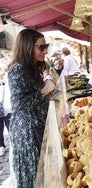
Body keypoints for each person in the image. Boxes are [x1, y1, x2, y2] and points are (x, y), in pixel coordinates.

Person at [8, 28, 56, 187]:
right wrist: (44, 90)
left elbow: (33, 96)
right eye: (41, 47)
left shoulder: (32, 67)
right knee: (33, 176)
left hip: (36, 126)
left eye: (46, 46)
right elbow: (18, 103)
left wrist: (45, 95)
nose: (45, 51)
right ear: (28, 46)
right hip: (28, 132)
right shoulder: (18, 69)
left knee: (42, 172)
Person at [0, 69, 12, 156]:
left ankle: (13, 145)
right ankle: (1, 146)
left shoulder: (6, 82)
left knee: (11, 128)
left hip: (8, 110)